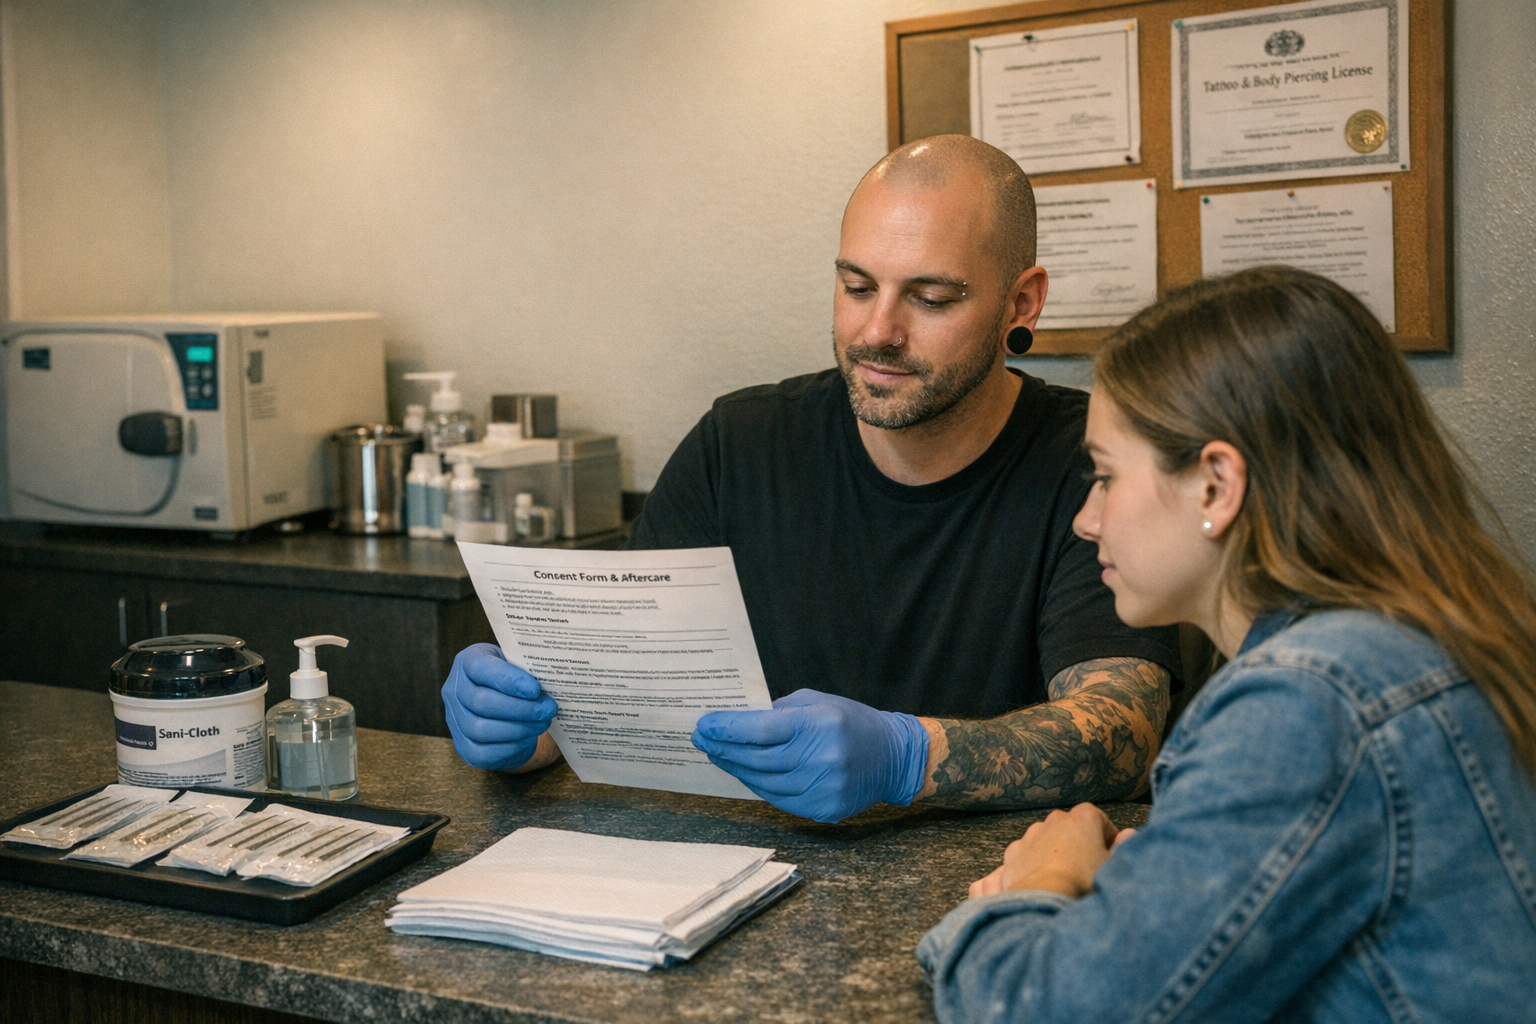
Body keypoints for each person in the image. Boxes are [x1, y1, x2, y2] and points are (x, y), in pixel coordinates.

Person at [441, 135, 1183, 823]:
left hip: (995, 893)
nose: (877, 333)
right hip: (732, 880)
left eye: (931, 298)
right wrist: (528, 729)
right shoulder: (740, 444)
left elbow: (1122, 731)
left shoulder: (1093, 462)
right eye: (857, 287)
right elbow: (631, 695)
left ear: (1021, 302)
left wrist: (910, 760)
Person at [917, 266, 1536, 1022]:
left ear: (1215, 485)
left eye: (1106, 477)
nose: (1087, 519)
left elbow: (1038, 1006)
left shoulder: (1309, 699)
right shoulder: (1400, 642)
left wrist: (1043, 880)